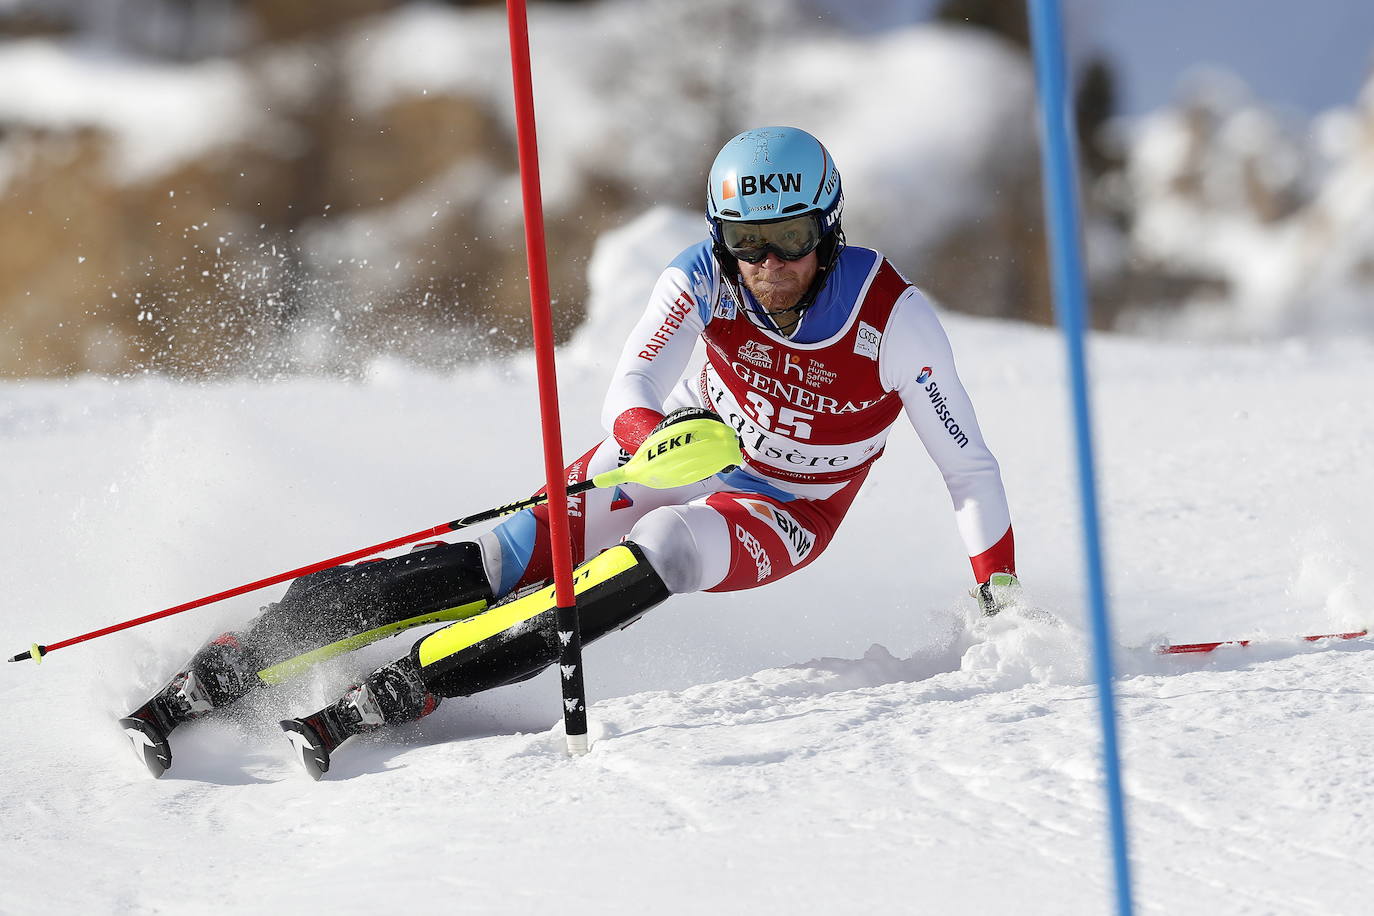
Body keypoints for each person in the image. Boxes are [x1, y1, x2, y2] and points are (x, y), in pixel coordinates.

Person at [119, 126, 1018, 780]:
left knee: (660, 555)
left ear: (830, 228)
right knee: (506, 553)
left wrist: (998, 584)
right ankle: (248, 655)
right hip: (676, 454)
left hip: (785, 507)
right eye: (748, 242)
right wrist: (645, 443)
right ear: (721, 237)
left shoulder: (894, 318)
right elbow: (630, 385)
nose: (771, 264)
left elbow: (968, 465)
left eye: (792, 239)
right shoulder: (701, 275)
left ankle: (411, 688)